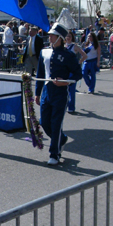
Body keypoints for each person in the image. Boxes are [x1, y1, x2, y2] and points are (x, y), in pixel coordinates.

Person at [34, 22, 82, 166]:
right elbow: (40, 73)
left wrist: (66, 82)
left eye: (53, 35)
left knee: (56, 124)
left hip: (60, 93)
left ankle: (54, 154)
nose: (50, 37)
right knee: (44, 122)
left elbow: (78, 73)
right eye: (49, 35)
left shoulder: (68, 55)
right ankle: (62, 139)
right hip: (46, 92)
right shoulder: (44, 52)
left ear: (60, 38)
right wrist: (37, 93)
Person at [64, 31, 87, 114]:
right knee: (64, 89)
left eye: (70, 36)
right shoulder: (63, 46)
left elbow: (84, 55)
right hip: (64, 70)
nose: (68, 38)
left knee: (72, 89)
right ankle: (65, 105)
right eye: (67, 36)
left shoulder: (75, 46)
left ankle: (71, 107)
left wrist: (78, 63)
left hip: (72, 71)